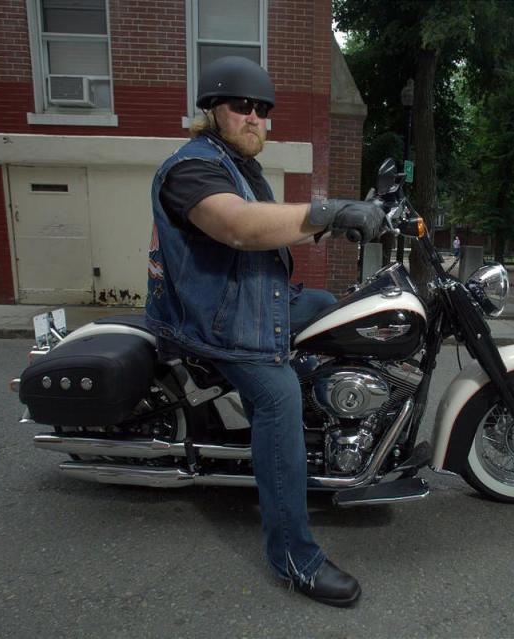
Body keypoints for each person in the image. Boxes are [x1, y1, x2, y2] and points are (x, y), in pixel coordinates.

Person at [145, 56, 383, 608]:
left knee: (328, 305)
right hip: (209, 322)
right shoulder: (192, 168)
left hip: (250, 304)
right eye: (242, 106)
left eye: (263, 109)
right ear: (212, 110)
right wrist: (329, 211)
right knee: (277, 399)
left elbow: (271, 228)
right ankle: (295, 557)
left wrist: (348, 219)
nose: (255, 117)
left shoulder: (239, 165)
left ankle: (331, 416)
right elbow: (237, 226)